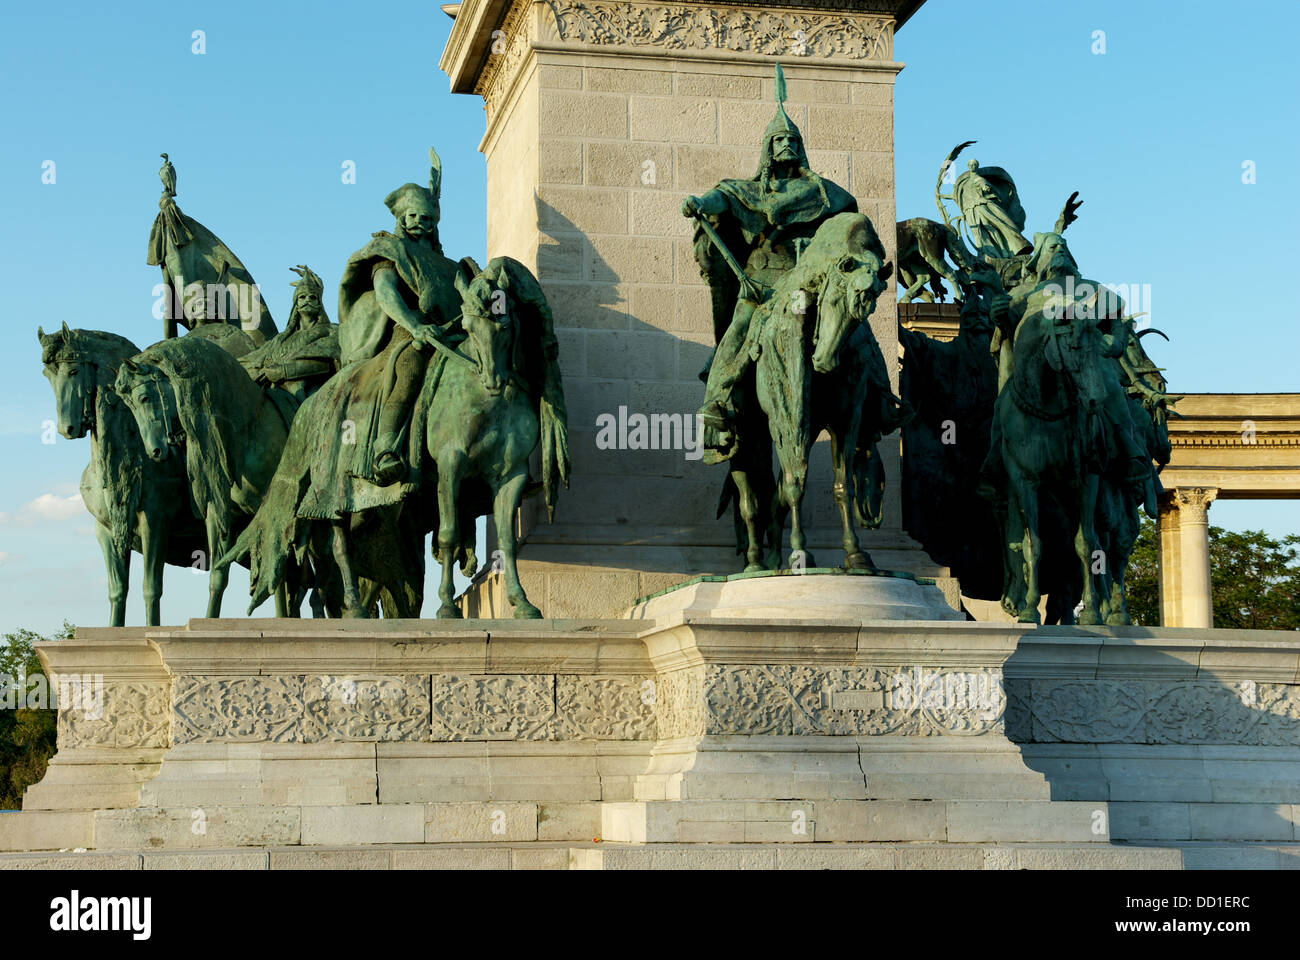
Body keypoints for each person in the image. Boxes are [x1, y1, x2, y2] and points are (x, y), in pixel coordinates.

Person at [682, 66, 862, 461]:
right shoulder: (749, 190)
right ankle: (718, 403)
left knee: (857, 337)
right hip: (761, 284)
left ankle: (879, 401)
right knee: (739, 331)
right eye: (779, 139)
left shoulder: (823, 192)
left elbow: (848, 217)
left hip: (807, 281)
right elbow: (723, 197)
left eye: (793, 139)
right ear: (768, 147)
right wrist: (700, 203)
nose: (787, 145)